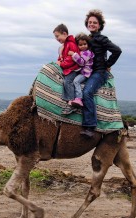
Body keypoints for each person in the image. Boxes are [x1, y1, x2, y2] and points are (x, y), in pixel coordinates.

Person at [80, 9, 122, 138]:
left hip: (99, 72)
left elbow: (117, 50)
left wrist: (107, 65)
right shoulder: (88, 38)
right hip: (89, 72)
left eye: (95, 22)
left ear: (99, 25)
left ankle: (90, 126)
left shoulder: (101, 38)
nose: (91, 24)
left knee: (87, 92)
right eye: (90, 22)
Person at [53, 24, 80, 112]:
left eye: (57, 36)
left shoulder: (71, 44)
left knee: (67, 82)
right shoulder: (65, 45)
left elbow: (71, 60)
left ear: (64, 33)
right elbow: (62, 57)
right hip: (68, 68)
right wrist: (58, 61)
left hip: (73, 69)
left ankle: (71, 102)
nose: (57, 39)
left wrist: (61, 64)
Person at [67, 33, 94, 108]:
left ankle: (79, 98)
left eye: (85, 44)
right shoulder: (80, 52)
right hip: (80, 72)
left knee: (76, 81)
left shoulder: (87, 52)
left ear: (88, 44)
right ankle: (71, 97)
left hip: (85, 73)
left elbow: (81, 63)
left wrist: (73, 54)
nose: (83, 46)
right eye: (80, 45)